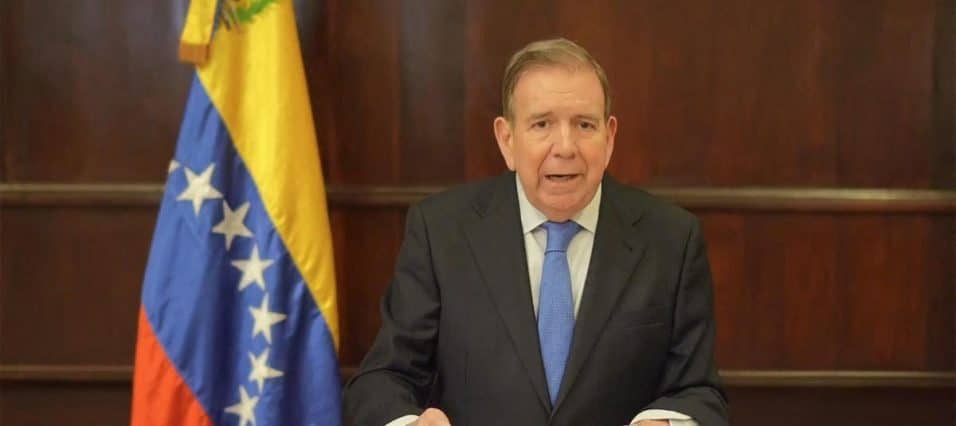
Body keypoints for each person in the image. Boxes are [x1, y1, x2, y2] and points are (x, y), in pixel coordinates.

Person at [343, 38, 727, 426]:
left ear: (609, 138)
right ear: (507, 139)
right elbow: (383, 379)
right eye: (542, 124)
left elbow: (698, 391)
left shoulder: (671, 239)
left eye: (585, 125)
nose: (566, 147)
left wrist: (669, 422)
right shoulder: (441, 231)